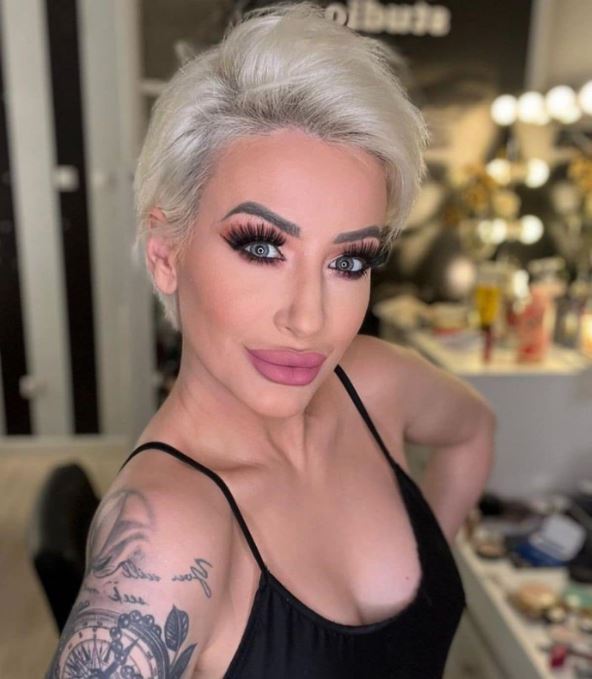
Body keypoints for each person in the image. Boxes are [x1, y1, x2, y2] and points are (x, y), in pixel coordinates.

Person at [45, 2, 495, 677]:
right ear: (166, 254)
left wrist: (433, 569)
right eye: (262, 247)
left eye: (349, 261)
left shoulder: (375, 382)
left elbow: (472, 429)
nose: (309, 319)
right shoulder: (171, 536)